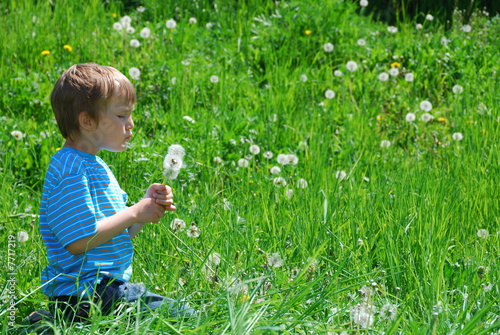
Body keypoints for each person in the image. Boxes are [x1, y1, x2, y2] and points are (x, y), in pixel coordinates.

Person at [28, 63, 194, 327]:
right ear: (87, 121)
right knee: (185, 318)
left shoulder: (94, 165)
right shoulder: (70, 169)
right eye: (121, 116)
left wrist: (143, 211)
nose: (131, 125)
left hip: (101, 289)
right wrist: (133, 212)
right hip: (89, 291)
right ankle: (63, 315)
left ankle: (59, 319)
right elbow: (79, 241)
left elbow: (111, 237)